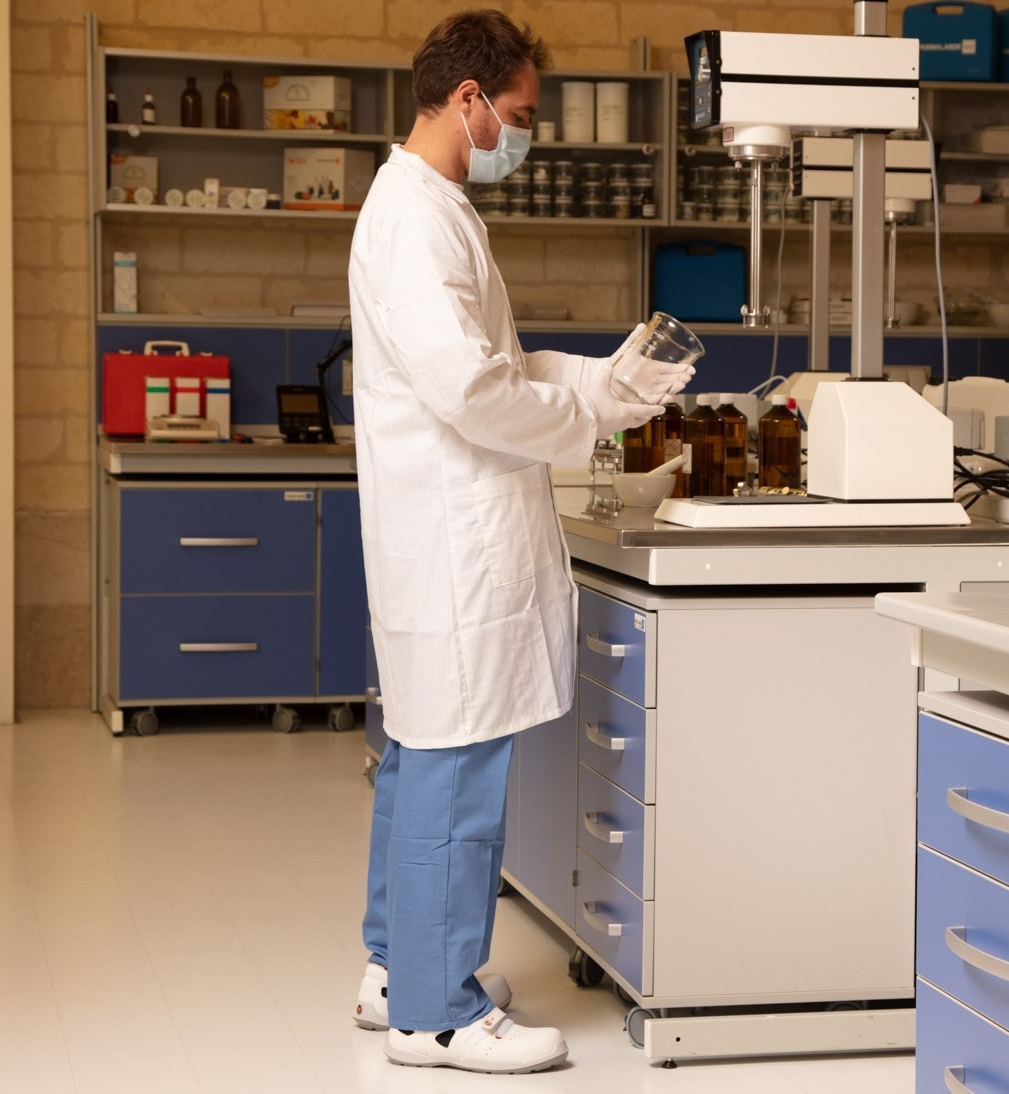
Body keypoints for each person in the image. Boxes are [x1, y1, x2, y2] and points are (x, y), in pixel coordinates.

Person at [344, 9, 692, 1074]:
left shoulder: (432, 205)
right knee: (450, 778)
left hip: (442, 542)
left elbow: (495, 357)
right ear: (469, 101)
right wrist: (589, 417)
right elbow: (470, 390)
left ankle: (393, 972)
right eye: (521, 115)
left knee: (417, 760)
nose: (523, 135)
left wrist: (601, 380)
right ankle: (434, 1015)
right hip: (454, 547)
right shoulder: (414, 218)